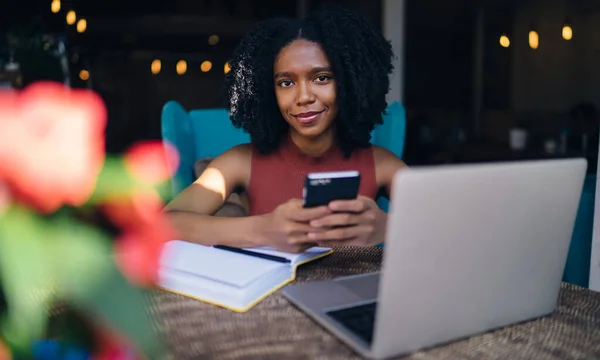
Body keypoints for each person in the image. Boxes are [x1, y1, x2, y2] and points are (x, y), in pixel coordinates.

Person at [164, 5, 407, 252]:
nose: (303, 97)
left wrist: (388, 227)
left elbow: (446, 228)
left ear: (350, 84)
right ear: (269, 93)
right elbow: (164, 224)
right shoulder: (240, 162)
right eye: (286, 82)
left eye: (321, 77)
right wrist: (263, 229)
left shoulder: (381, 164)